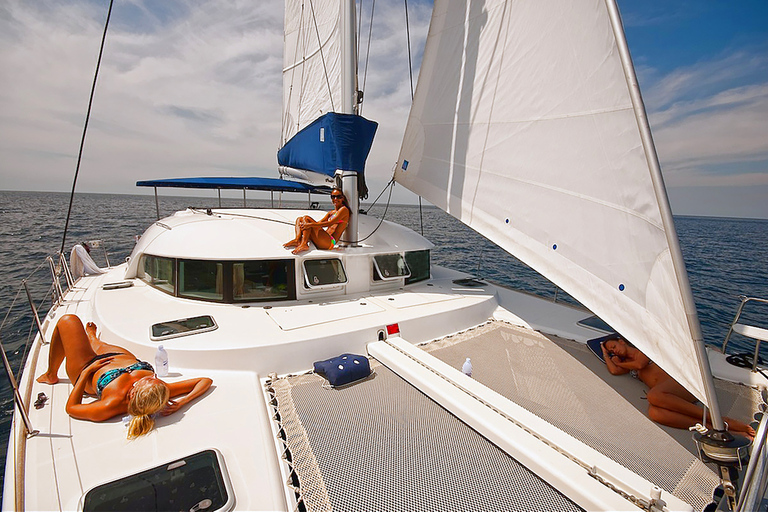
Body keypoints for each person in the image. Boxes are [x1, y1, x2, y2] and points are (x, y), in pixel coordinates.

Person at [37, 314, 213, 439]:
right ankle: (92, 338)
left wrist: (84, 375)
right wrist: (183, 402)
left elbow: (72, 408)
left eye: (146, 380)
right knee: (100, 344)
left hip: (87, 366)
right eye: (152, 378)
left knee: (68, 321)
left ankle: (51, 374)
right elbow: (204, 381)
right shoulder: (159, 391)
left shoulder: (111, 404)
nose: (154, 377)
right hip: (116, 357)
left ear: (133, 393)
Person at [601, 337, 755, 439]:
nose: (615, 351)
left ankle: (717, 419)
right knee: (654, 412)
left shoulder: (643, 348)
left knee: (653, 396)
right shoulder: (628, 363)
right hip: (667, 397)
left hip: (682, 387)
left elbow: (640, 364)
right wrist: (607, 356)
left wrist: (618, 362)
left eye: (614, 346)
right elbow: (614, 371)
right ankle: (716, 429)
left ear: (622, 341)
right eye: (612, 351)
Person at [283, 187, 350, 254]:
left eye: (338, 197)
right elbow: (319, 223)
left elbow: (329, 223)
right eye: (333, 197)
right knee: (300, 219)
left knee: (306, 218)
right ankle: (297, 240)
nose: (335, 199)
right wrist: (304, 225)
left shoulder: (344, 210)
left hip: (330, 242)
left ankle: (304, 244)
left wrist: (309, 224)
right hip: (323, 238)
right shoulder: (331, 213)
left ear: (342, 198)